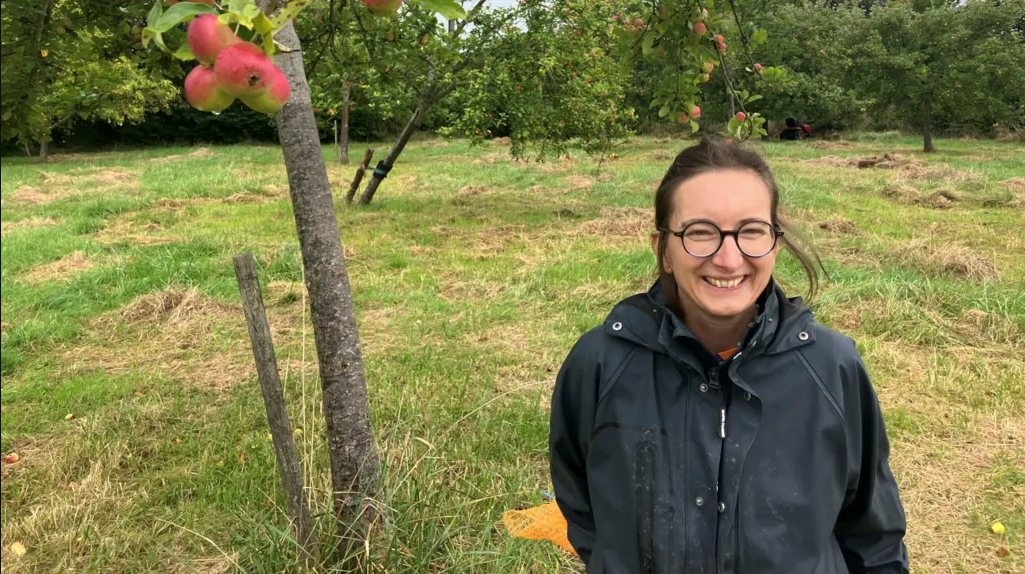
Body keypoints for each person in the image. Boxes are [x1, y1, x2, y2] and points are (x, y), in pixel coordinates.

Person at [548, 135, 908, 573]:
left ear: (774, 243)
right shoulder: (601, 363)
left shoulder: (832, 369)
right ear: (663, 249)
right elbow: (582, 504)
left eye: (751, 231)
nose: (728, 257)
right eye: (700, 233)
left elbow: (873, 534)